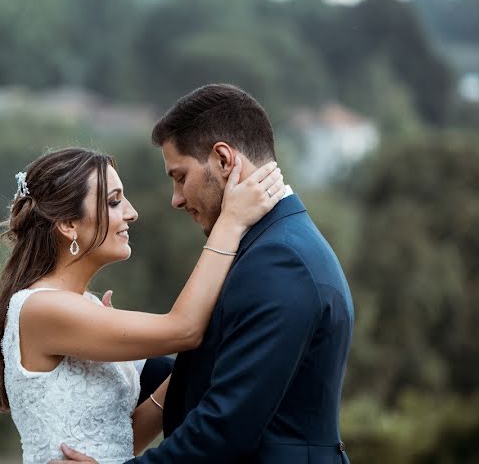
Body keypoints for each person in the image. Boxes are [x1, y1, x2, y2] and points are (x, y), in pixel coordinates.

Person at [54, 84, 354, 463]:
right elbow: (216, 372)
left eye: (180, 176)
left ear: (224, 160)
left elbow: (226, 428)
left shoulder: (280, 261)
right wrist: (121, 353)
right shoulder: (267, 246)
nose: (176, 198)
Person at [0, 146, 286, 464]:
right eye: (114, 201)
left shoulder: (84, 306)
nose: (131, 212)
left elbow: (121, 440)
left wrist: (188, 369)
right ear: (68, 224)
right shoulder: (41, 309)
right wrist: (232, 222)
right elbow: (184, 329)